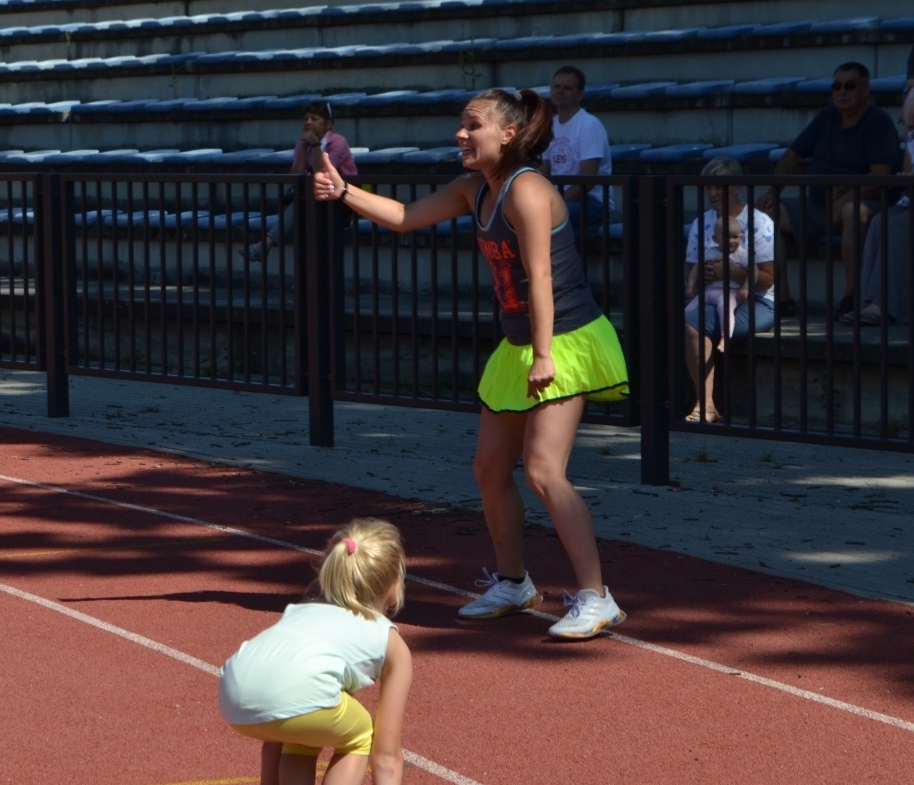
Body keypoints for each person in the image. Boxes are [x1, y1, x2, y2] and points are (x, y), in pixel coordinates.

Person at [314, 88, 630, 638]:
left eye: (473, 125)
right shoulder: (473, 189)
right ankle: (514, 583)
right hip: (521, 344)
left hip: (565, 338)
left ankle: (596, 596)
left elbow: (541, 277)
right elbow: (405, 216)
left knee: (543, 471)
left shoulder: (527, 189)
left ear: (508, 134)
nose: (461, 134)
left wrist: (545, 354)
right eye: (461, 124)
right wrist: (345, 192)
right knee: (489, 469)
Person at [219, 520, 439, 785]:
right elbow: (387, 755)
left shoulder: (301, 612)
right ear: (394, 583)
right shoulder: (388, 639)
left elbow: (273, 742)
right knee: (361, 733)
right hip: (293, 695)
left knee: (303, 727)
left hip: (234, 689)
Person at [759, 62, 902, 318]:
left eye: (850, 86)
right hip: (818, 205)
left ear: (866, 90)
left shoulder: (879, 122)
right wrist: (774, 192)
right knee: (765, 216)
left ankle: (851, 296)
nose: (842, 92)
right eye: (836, 86)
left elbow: (881, 175)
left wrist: (845, 199)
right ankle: (781, 298)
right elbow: (792, 155)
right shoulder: (826, 117)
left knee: (852, 211)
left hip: (869, 202)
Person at [682, 158, 776, 423]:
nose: (712, 193)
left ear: (736, 186)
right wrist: (703, 276)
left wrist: (732, 272)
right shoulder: (702, 222)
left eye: (718, 186)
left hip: (757, 299)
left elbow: (769, 278)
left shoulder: (758, 222)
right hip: (713, 294)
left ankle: (705, 404)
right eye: (708, 187)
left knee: (693, 323)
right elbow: (690, 270)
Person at [854, 82, 914, 325]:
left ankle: (885, 305)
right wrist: (907, 179)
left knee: (899, 227)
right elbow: (908, 174)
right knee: (878, 223)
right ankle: (866, 302)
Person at [243, 101, 358, 262]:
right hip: (316, 200)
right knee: (303, 205)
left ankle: (266, 245)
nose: (308, 122)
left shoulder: (338, 142)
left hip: (342, 202)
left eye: (315, 119)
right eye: (306, 119)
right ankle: (269, 247)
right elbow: (295, 177)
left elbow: (322, 174)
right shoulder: (303, 144)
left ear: (328, 123)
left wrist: (316, 145)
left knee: (302, 204)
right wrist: (304, 149)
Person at [543, 65, 614, 232]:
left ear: (580, 94)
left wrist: (556, 202)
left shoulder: (589, 125)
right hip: (559, 198)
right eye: (556, 86)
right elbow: (542, 170)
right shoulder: (548, 126)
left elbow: (588, 180)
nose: (560, 91)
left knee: (545, 217)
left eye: (567, 88)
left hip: (593, 202)